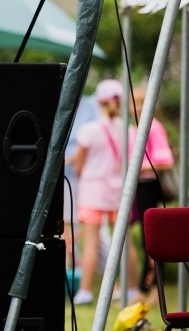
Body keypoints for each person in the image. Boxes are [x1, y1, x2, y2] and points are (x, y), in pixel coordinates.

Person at [73, 80, 138, 305]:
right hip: (119, 192)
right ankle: (131, 289)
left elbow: (79, 166)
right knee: (125, 241)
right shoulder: (129, 129)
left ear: (99, 101)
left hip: (93, 192)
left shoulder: (89, 130)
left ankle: (85, 291)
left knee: (90, 243)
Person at [128, 84, 175, 298]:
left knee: (151, 238)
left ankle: (150, 287)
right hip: (139, 185)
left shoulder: (153, 127)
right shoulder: (137, 127)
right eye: (134, 103)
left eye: (141, 102)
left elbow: (165, 161)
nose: (137, 107)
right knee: (142, 237)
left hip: (148, 185)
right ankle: (144, 286)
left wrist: (136, 166)